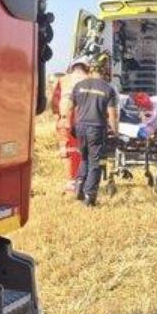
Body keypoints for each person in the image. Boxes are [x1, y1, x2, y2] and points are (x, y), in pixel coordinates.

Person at [68, 55, 119, 206]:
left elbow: (69, 108)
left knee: (84, 157)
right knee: (95, 162)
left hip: (80, 126)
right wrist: (115, 132)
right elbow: (113, 115)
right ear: (104, 71)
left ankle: (79, 185)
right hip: (96, 128)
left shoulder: (78, 86)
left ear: (90, 69)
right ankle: (90, 196)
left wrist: (72, 125)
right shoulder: (108, 89)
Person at [51, 57, 90, 193]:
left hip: (66, 119)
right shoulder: (91, 80)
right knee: (83, 150)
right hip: (85, 119)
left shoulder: (63, 80)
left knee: (67, 149)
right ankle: (83, 180)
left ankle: (70, 181)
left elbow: (55, 101)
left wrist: (58, 117)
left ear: (72, 67)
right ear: (87, 67)